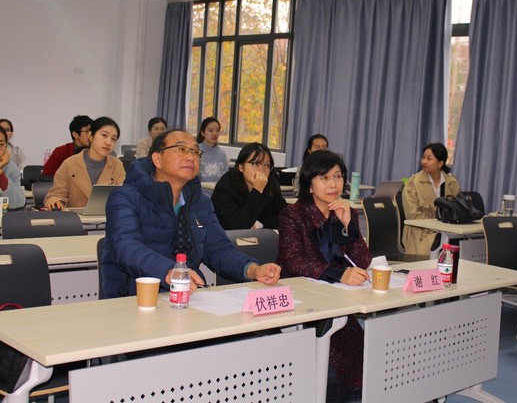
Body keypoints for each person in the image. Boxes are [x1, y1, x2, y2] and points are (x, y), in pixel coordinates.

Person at [100, 130, 280, 298]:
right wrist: (170, 271)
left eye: (195, 152)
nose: (191, 156)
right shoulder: (126, 197)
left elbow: (218, 249)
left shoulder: (200, 202)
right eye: (181, 149)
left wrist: (252, 269)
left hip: (187, 294)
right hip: (136, 294)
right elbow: (126, 247)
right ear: (157, 159)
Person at [277, 150, 370, 402]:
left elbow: (363, 261)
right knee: (335, 356)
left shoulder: (346, 211)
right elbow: (294, 261)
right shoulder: (293, 215)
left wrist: (349, 226)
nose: (333, 184)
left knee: (357, 347)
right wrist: (339, 274)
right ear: (310, 184)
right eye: (324, 177)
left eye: (337, 176)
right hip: (301, 301)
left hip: (336, 301)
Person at [44, 117, 125, 210]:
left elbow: (123, 195)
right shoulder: (69, 164)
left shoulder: (117, 165)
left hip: (107, 217)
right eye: (104, 135)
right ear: (90, 136)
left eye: (113, 139)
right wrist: (54, 200)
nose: (108, 142)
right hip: (76, 218)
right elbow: (56, 194)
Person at [212, 142, 287, 230]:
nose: (261, 170)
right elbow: (238, 225)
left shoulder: (271, 183)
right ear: (241, 167)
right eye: (255, 164)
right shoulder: (225, 186)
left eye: (266, 165)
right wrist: (257, 190)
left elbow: (286, 216)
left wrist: (261, 224)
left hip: (261, 236)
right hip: (226, 236)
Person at [402, 142, 460, 254]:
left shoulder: (452, 183)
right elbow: (413, 215)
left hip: (447, 230)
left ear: (440, 163)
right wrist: (437, 227)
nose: (424, 161)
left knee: (461, 245)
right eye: (423, 157)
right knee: (439, 244)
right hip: (420, 231)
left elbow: (457, 210)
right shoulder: (414, 182)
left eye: (429, 158)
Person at [42, 115, 94, 179]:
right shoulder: (61, 152)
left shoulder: (97, 152)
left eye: (93, 132)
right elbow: (47, 176)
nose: (91, 135)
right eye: (87, 131)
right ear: (75, 134)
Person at [197, 117, 229, 187]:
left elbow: (226, 179)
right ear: (202, 133)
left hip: (219, 192)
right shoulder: (197, 151)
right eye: (210, 130)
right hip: (200, 191)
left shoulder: (222, 154)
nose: (215, 133)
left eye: (217, 130)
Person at [0, 128, 26, 209]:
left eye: (1, 144)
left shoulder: (11, 168)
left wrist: (1, 175)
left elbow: (18, 203)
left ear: (6, 146)